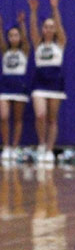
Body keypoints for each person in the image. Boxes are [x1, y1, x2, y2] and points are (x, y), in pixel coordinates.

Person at [28, 0, 67, 165]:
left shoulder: (60, 43)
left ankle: (49, 150)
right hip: (39, 81)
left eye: (52, 27)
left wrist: (55, 8)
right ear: (43, 29)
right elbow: (32, 29)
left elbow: (59, 25)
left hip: (55, 82)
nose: (49, 29)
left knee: (52, 118)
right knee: (40, 114)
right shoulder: (38, 43)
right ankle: (41, 144)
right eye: (46, 27)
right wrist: (34, 11)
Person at [0, 10, 30, 163]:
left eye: (15, 35)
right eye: (10, 35)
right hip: (5, 86)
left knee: (18, 119)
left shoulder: (24, 51)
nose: (13, 38)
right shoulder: (5, 50)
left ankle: (15, 146)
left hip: (19, 86)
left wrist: (22, 23)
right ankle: (6, 146)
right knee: (4, 116)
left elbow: (25, 39)